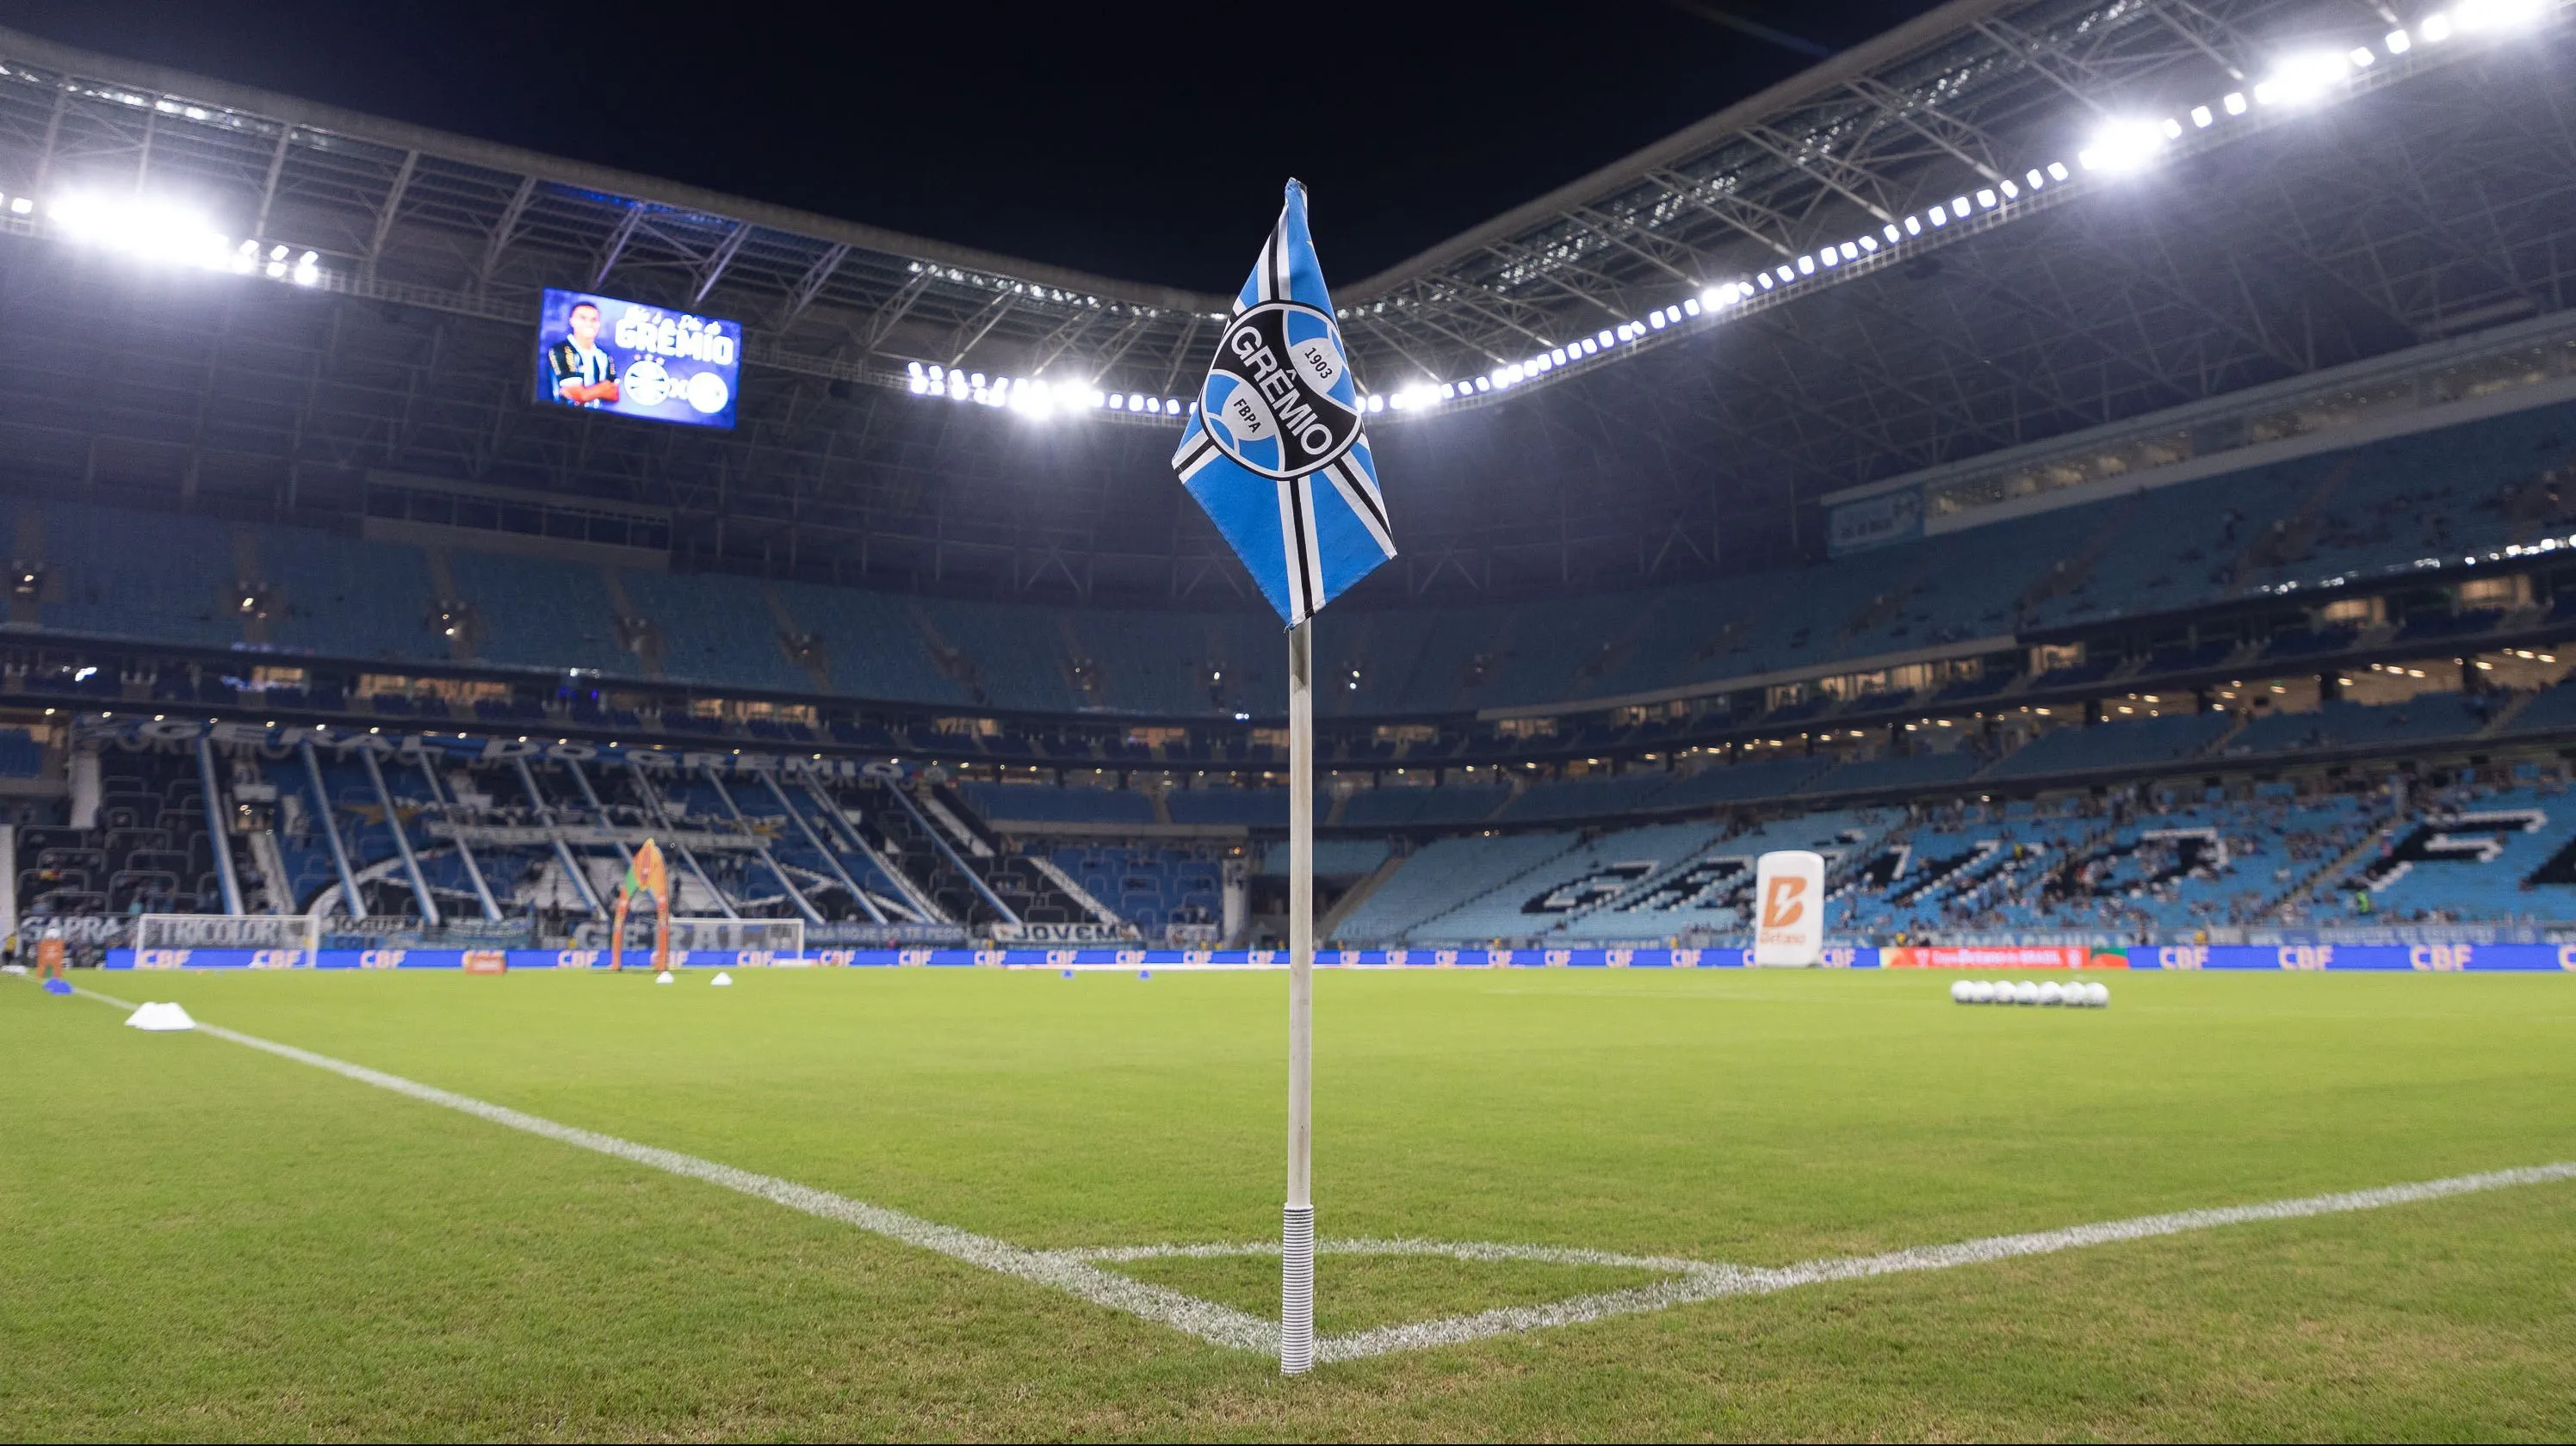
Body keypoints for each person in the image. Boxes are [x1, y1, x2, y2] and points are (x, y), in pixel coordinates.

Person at [545, 300, 621, 407]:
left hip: (599, 419)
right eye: (583, 318)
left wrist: (587, 393)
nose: (589, 324)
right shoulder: (560, 350)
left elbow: (615, 395)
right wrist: (603, 387)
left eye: (594, 320)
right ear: (572, 321)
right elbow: (580, 396)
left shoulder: (604, 355)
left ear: (599, 324)